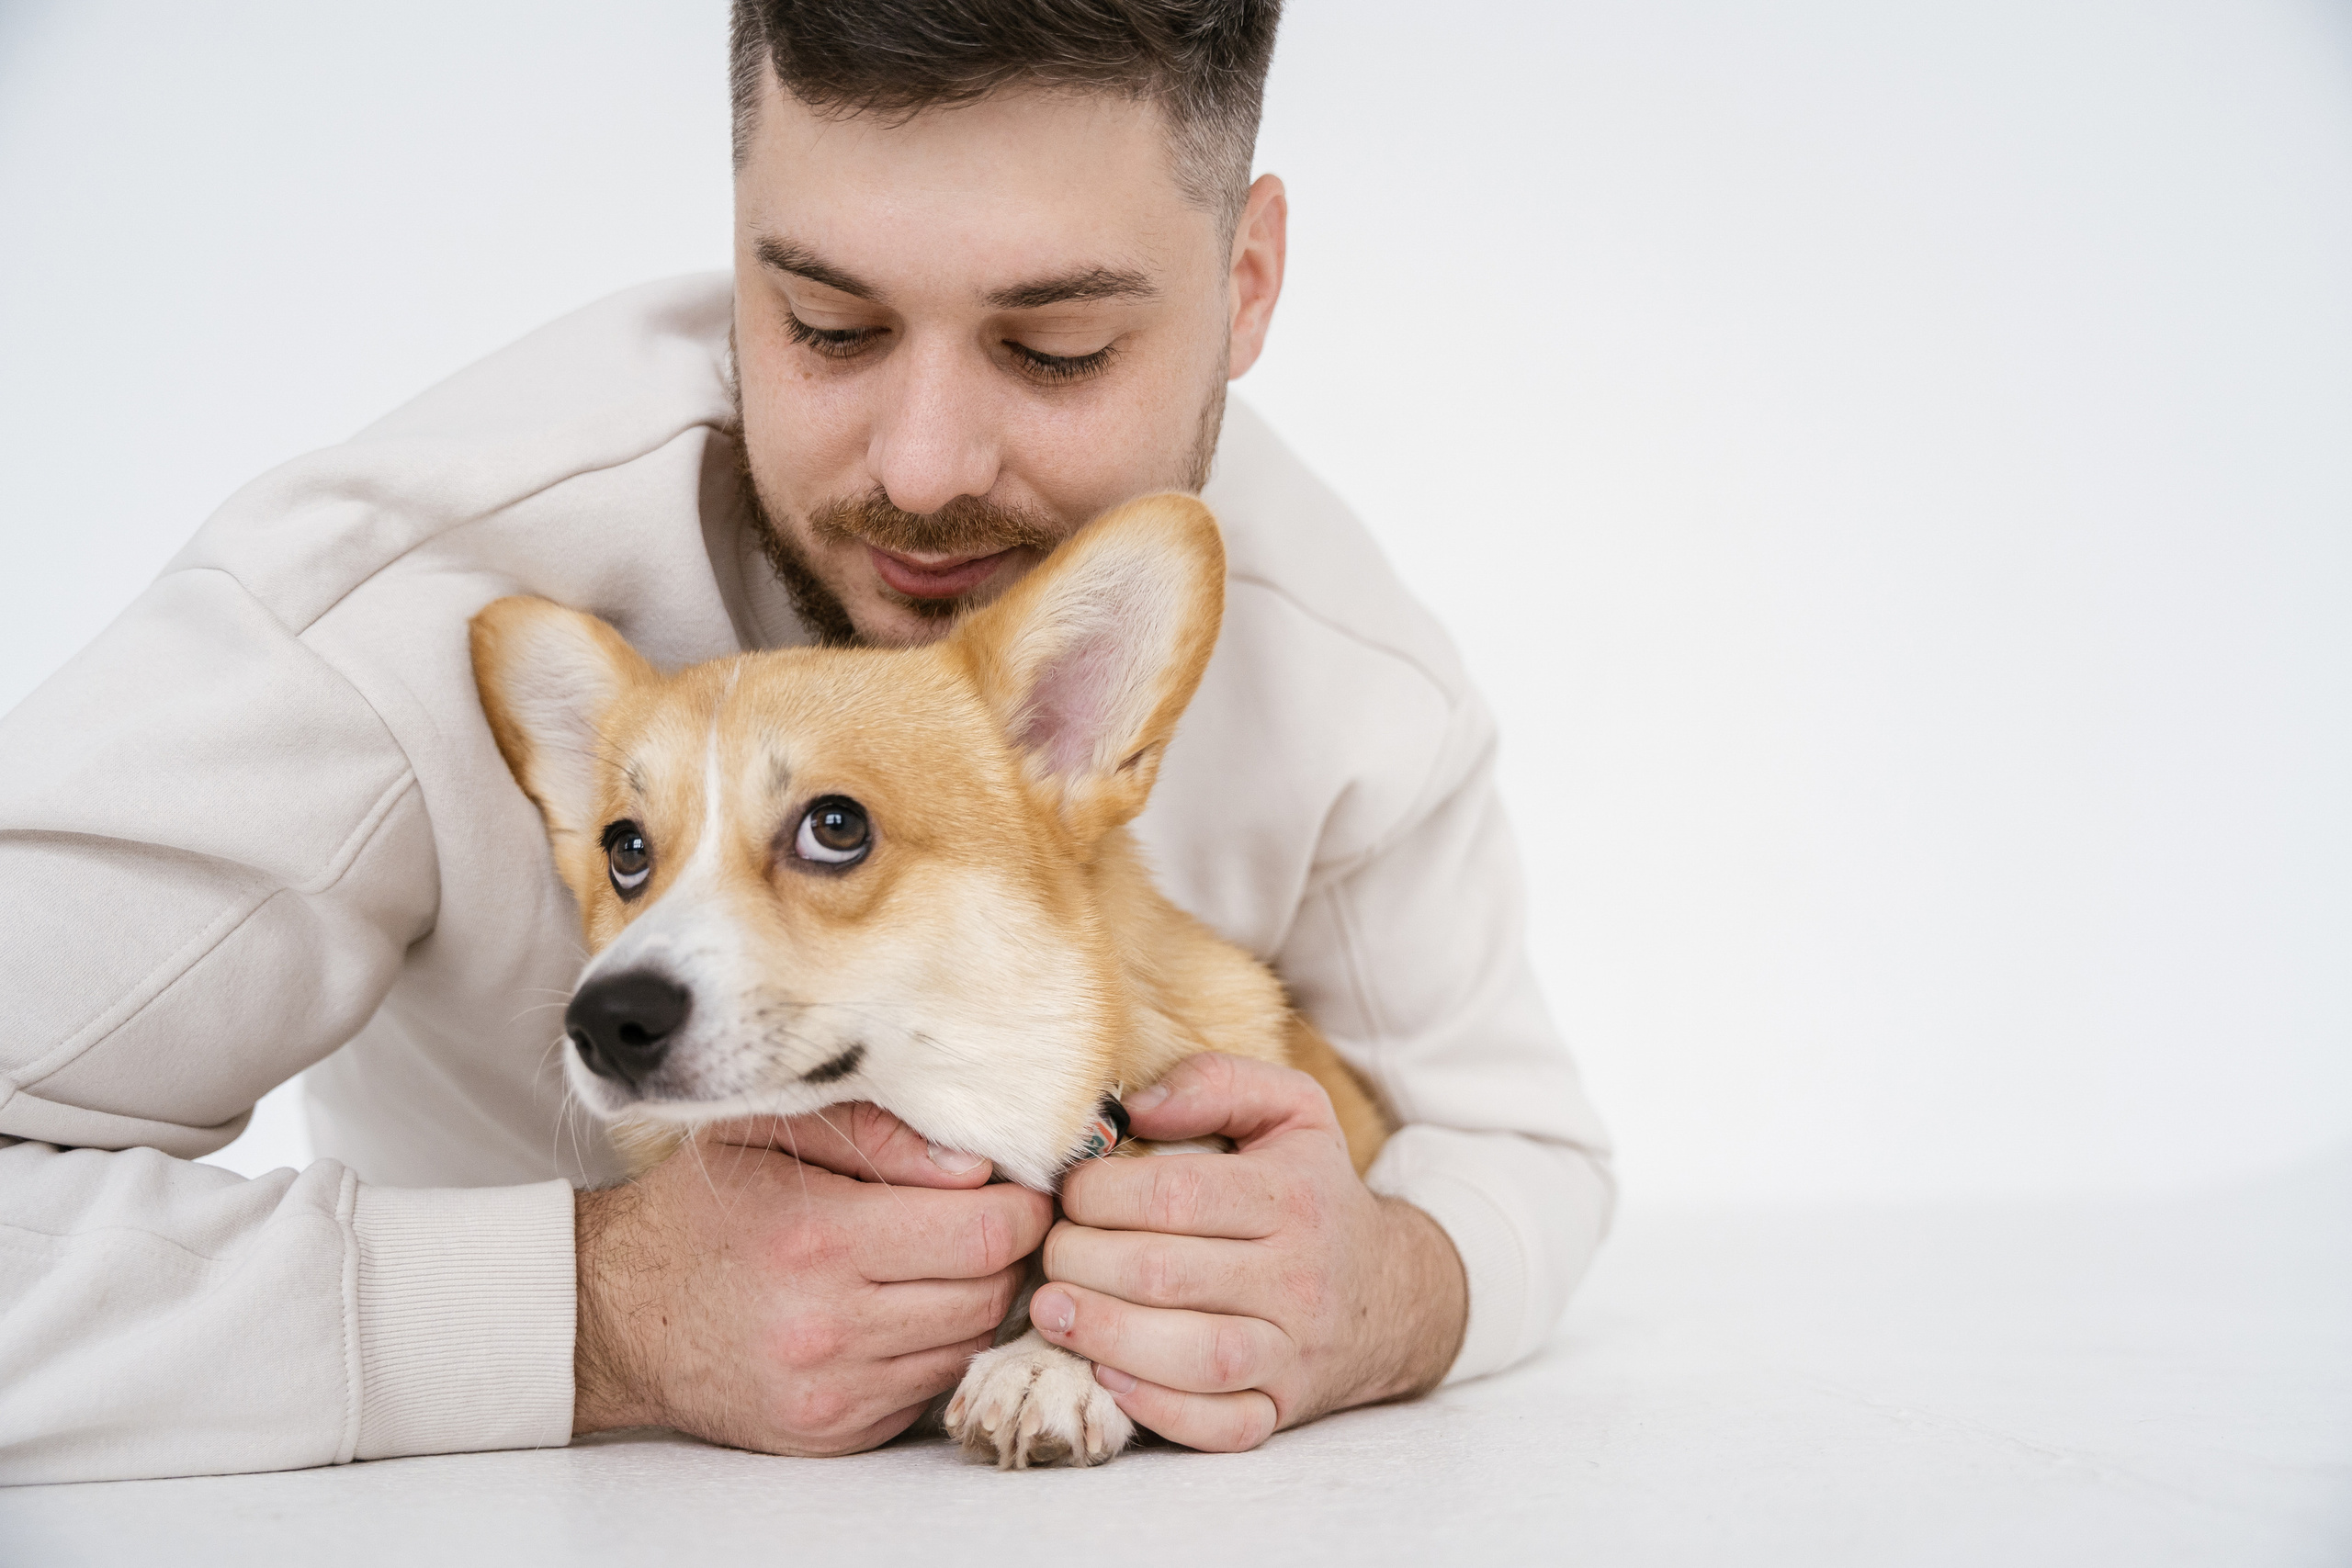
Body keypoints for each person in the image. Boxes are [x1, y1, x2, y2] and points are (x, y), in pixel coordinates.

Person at [0, 0, 1612, 1484]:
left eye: (1056, 349)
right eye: (828, 325)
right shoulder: (373, 617)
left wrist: (1392, 1290)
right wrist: (589, 1317)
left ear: (1245, 283)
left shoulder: (1353, 669)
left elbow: (1524, 1145)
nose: (919, 473)